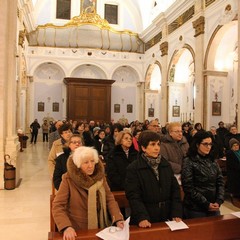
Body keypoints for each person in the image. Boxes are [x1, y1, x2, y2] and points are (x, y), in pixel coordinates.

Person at [52, 146, 124, 239]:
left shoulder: (100, 177)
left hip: (101, 226)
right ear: (78, 164)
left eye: (92, 161)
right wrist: (66, 227)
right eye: (86, 162)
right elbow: (58, 206)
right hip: (78, 228)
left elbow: (109, 199)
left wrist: (118, 219)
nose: (90, 165)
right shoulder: (68, 179)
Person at [125, 130, 182, 227]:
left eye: (158, 144)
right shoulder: (134, 168)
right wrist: (142, 217)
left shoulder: (165, 165)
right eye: (152, 144)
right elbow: (134, 196)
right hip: (147, 216)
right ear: (143, 147)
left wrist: (176, 212)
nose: (157, 148)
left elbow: (175, 190)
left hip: (166, 215)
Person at [181, 131, 225, 219]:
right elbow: (188, 187)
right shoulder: (189, 161)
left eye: (210, 144)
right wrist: (206, 203)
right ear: (197, 144)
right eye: (205, 144)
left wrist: (218, 200)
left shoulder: (212, 160)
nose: (208, 147)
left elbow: (220, 181)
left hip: (214, 205)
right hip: (196, 208)